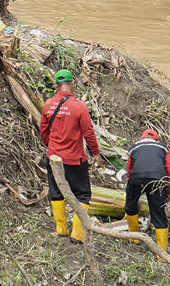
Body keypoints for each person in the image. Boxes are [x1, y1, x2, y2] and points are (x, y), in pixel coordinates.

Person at [41, 69, 100, 242]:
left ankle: (61, 230)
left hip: (54, 158)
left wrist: (52, 146)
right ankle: (78, 234)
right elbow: (89, 132)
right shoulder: (79, 106)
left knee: (56, 192)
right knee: (82, 194)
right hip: (75, 159)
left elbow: (44, 131)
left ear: (56, 84)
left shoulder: (48, 104)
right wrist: (96, 153)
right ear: (72, 83)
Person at [124, 128, 170, 252]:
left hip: (136, 178)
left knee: (130, 207)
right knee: (159, 213)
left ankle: (134, 238)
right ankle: (161, 252)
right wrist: (169, 193)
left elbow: (129, 171)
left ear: (142, 138)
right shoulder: (163, 147)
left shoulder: (134, 147)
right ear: (157, 139)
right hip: (158, 180)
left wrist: (132, 194)